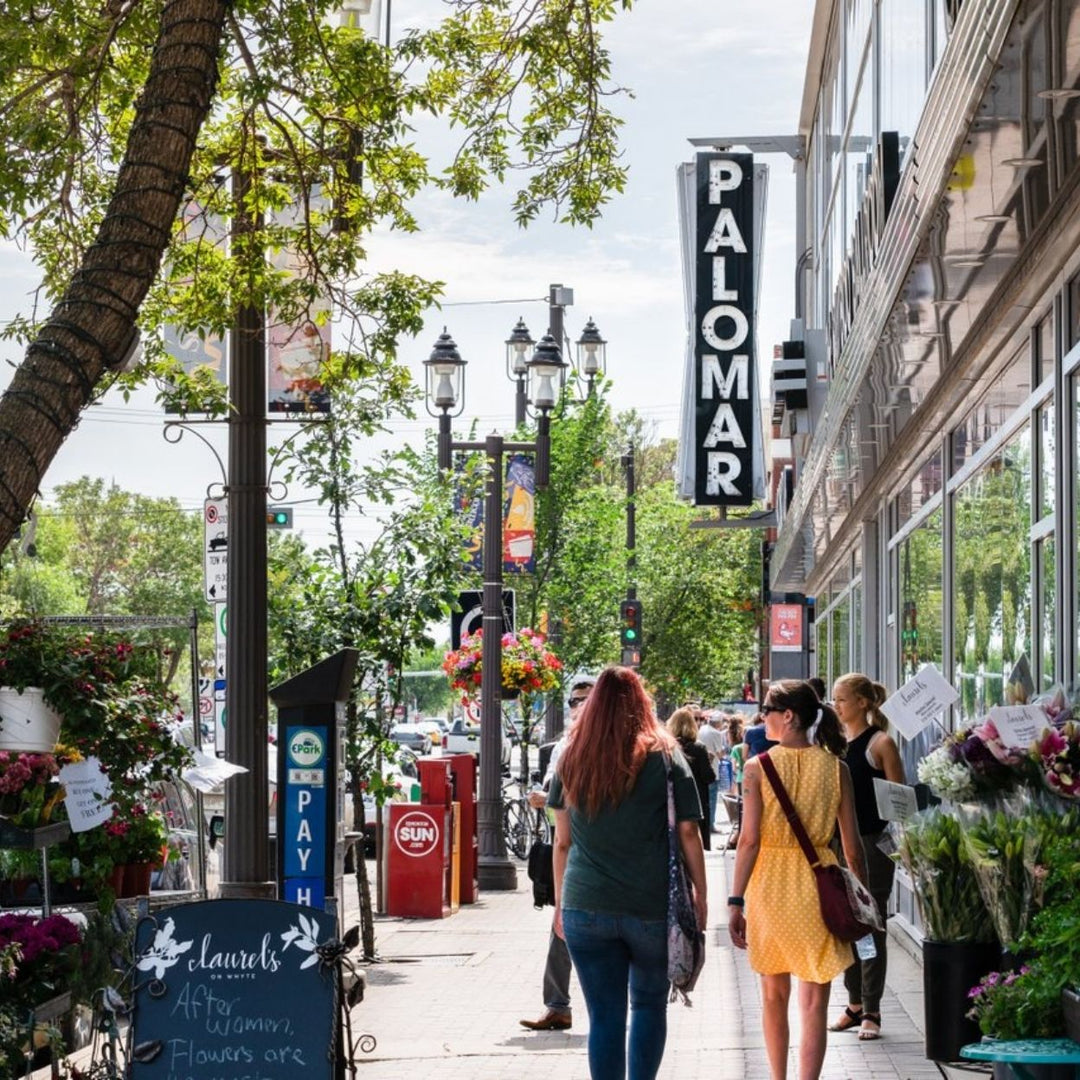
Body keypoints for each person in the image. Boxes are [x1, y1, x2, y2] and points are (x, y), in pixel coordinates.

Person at [549, 666, 706, 1080]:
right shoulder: (666, 755)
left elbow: (562, 841)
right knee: (649, 1005)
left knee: (604, 1016)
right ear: (642, 702)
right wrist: (701, 895)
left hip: (585, 905)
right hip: (650, 906)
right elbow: (688, 831)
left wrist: (560, 903)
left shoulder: (571, 756)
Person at [727, 679, 867, 1080]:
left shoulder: (757, 768)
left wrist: (735, 901)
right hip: (819, 886)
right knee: (814, 1003)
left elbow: (749, 841)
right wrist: (863, 900)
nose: (763, 718)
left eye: (768, 711)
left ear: (788, 716)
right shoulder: (836, 768)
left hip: (770, 886)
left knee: (773, 995)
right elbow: (853, 848)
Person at [828, 673, 905, 1042]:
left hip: (873, 845)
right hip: (838, 845)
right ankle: (855, 1002)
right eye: (834, 699)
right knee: (846, 922)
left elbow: (900, 801)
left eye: (842, 699)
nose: (836, 705)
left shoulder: (881, 743)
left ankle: (872, 1008)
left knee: (872, 923)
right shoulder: (836, 744)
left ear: (862, 702)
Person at [520, 677, 595, 1032]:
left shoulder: (615, 744)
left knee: (594, 928)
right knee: (561, 923)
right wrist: (544, 798)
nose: (579, 706)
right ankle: (557, 1005)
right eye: (574, 701)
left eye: (586, 699)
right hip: (567, 845)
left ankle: (604, 1008)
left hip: (601, 851)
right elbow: (553, 790)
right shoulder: (562, 746)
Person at [667, 707, 714, 850]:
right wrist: (709, 761)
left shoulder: (667, 747)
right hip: (696, 800)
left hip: (671, 800)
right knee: (694, 841)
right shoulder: (698, 748)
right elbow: (708, 777)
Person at [696, 711, 726, 832]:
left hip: (700, 769)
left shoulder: (702, 729)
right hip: (712, 769)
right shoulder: (716, 733)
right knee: (712, 799)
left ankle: (703, 824)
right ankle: (710, 824)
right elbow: (719, 754)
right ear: (718, 723)